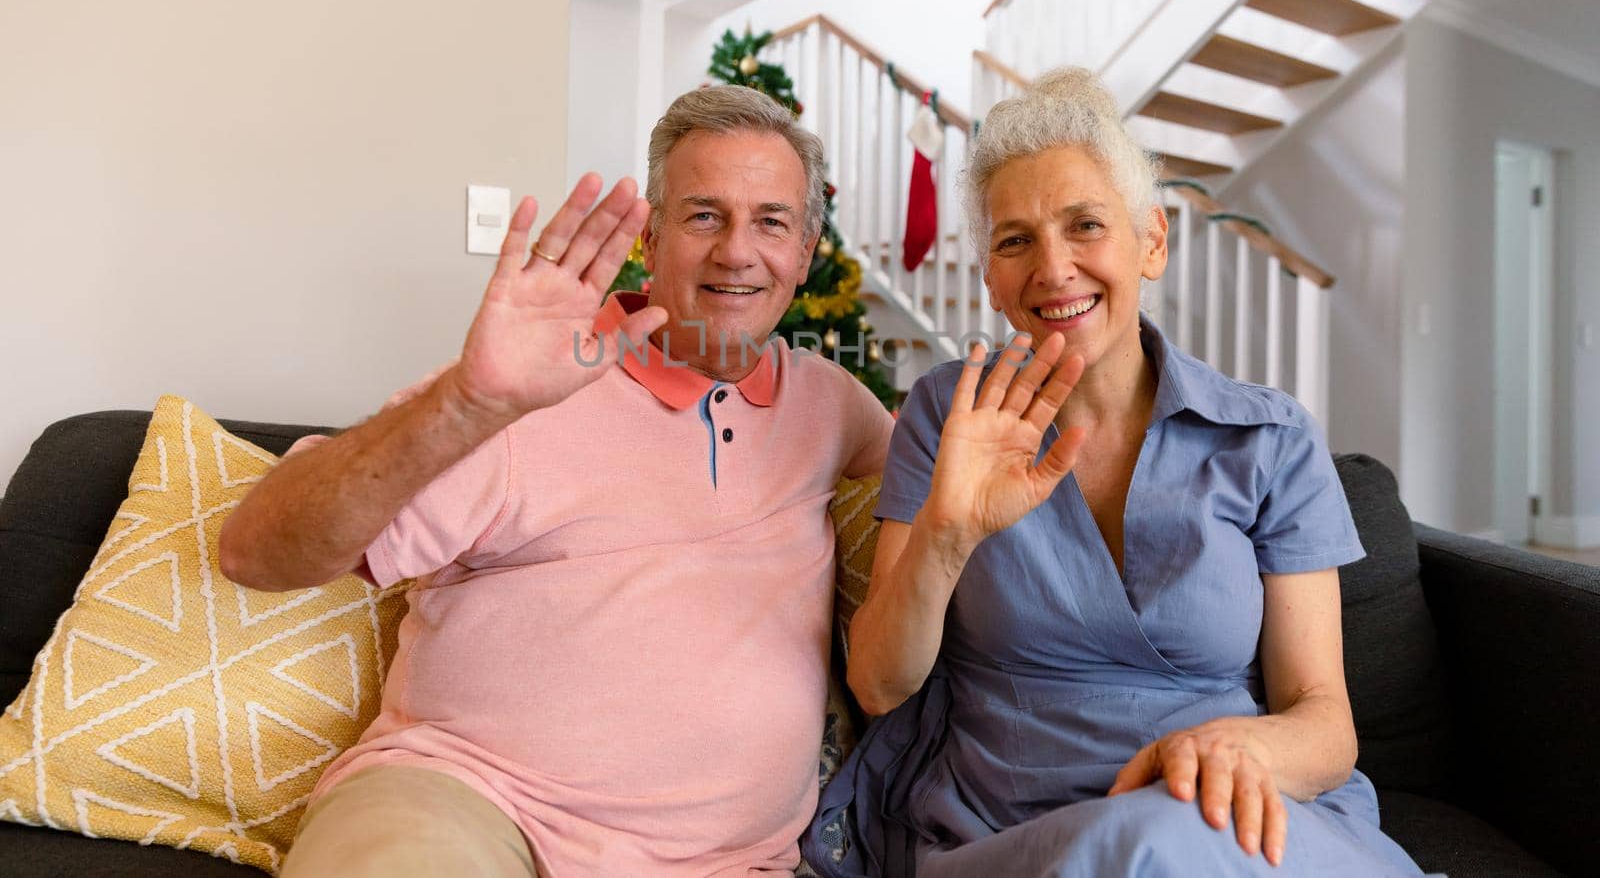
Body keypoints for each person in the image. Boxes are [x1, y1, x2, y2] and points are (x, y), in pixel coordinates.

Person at [219, 85, 896, 877]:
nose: (737, 251)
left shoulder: (832, 404)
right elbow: (253, 553)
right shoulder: (527, 382)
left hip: (727, 862)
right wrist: (466, 404)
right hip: (471, 804)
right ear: (652, 232)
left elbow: (953, 486)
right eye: (704, 215)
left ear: (806, 249)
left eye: (771, 221)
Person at [803, 69, 1422, 877]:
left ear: (1152, 243)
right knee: (1140, 844)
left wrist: (1232, 745)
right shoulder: (944, 415)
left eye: (1085, 225)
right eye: (1015, 238)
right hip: (1010, 829)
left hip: (1229, 816)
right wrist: (949, 535)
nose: (1053, 268)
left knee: (1170, 837)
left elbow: (1326, 722)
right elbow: (881, 685)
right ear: (991, 274)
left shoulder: (1270, 439)